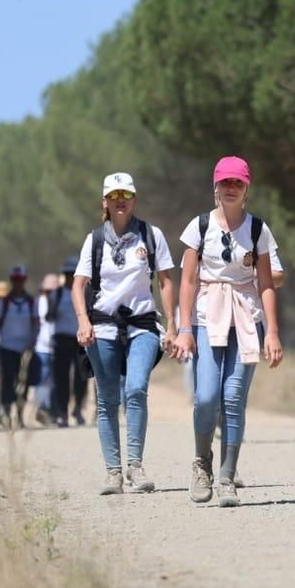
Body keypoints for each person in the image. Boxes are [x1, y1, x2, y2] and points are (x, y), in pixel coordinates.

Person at [174, 156, 285, 506]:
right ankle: (201, 462)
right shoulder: (200, 226)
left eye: (238, 182)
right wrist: (184, 328)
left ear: (247, 188)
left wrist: (272, 332)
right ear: (215, 188)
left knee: (234, 397)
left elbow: (266, 284)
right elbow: (188, 281)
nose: (231, 188)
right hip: (208, 316)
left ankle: (226, 477)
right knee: (207, 396)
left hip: (246, 319)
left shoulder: (257, 230)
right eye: (225, 182)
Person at [71, 172, 178, 495]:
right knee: (107, 400)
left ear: (134, 200)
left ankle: (136, 465)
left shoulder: (150, 234)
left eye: (126, 195)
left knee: (135, 389)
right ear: (104, 202)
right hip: (102, 327)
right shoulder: (95, 240)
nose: (120, 200)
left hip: (143, 325)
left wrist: (173, 326)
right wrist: (82, 322)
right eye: (114, 195)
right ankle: (113, 472)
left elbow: (166, 281)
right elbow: (78, 286)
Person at [0, 266, 40, 429]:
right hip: (7, 347)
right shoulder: (3, 303)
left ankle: (19, 415)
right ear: (12, 281)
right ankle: (5, 412)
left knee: (23, 383)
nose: (18, 283)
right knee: (7, 381)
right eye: (15, 280)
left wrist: (32, 342)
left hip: (25, 349)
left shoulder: (31, 302)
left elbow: (36, 324)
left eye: (21, 280)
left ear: (24, 281)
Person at [44, 257, 86, 427]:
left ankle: (78, 407)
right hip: (62, 340)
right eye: (68, 274)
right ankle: (63, 411)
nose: (70, 277)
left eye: (73, 274)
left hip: (80, 340)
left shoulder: (85, 293)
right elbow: (49, 316)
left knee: (81, 377)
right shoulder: (57, 294)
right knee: (61, 378)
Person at [33, 273, 60, 423]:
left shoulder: (61, 301)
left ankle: (53, 411)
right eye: (48, 290)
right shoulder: (38, 303)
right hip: (41, 347)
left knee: (55, 381)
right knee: (42, 380)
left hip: (57, 347)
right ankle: (42, 408)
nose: (50, 293)